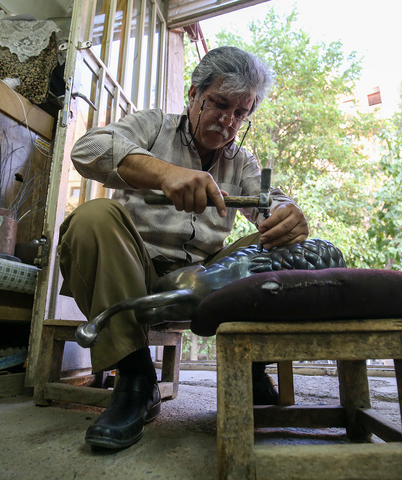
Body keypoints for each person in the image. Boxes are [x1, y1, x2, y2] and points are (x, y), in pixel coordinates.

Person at [59, 46, 309, 450]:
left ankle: (253, 367)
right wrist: (164, 173)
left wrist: (286, 214)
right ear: (194, 94)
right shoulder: (154, 126)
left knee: (282, 248)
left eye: (240, 114)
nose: (228, 122)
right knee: (92, 217)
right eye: (219, 104)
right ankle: (136, 380)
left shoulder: (241, 161)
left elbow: (272, 203)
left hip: (202, 279)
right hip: (131, 273)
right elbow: (87, 150)